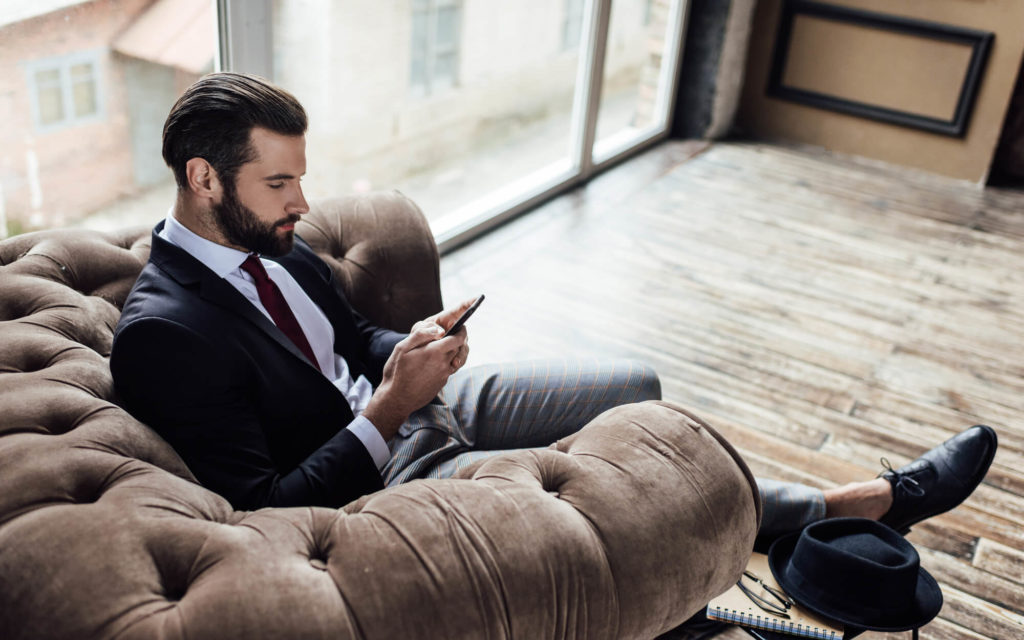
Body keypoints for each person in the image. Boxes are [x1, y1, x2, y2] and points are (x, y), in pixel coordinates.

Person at [110, 73, 997, 542]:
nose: (304, 200)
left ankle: (793, 523)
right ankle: (855, 507)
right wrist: (390, 407)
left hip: (413, 404)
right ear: (203, 179)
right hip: (377, 478)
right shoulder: (165, 334)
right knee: (630, 485)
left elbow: (346, 338)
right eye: (280, 180)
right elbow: (266, 509)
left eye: (301, 175)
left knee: (635, 384)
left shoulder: (270, 235)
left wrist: (409, 346)